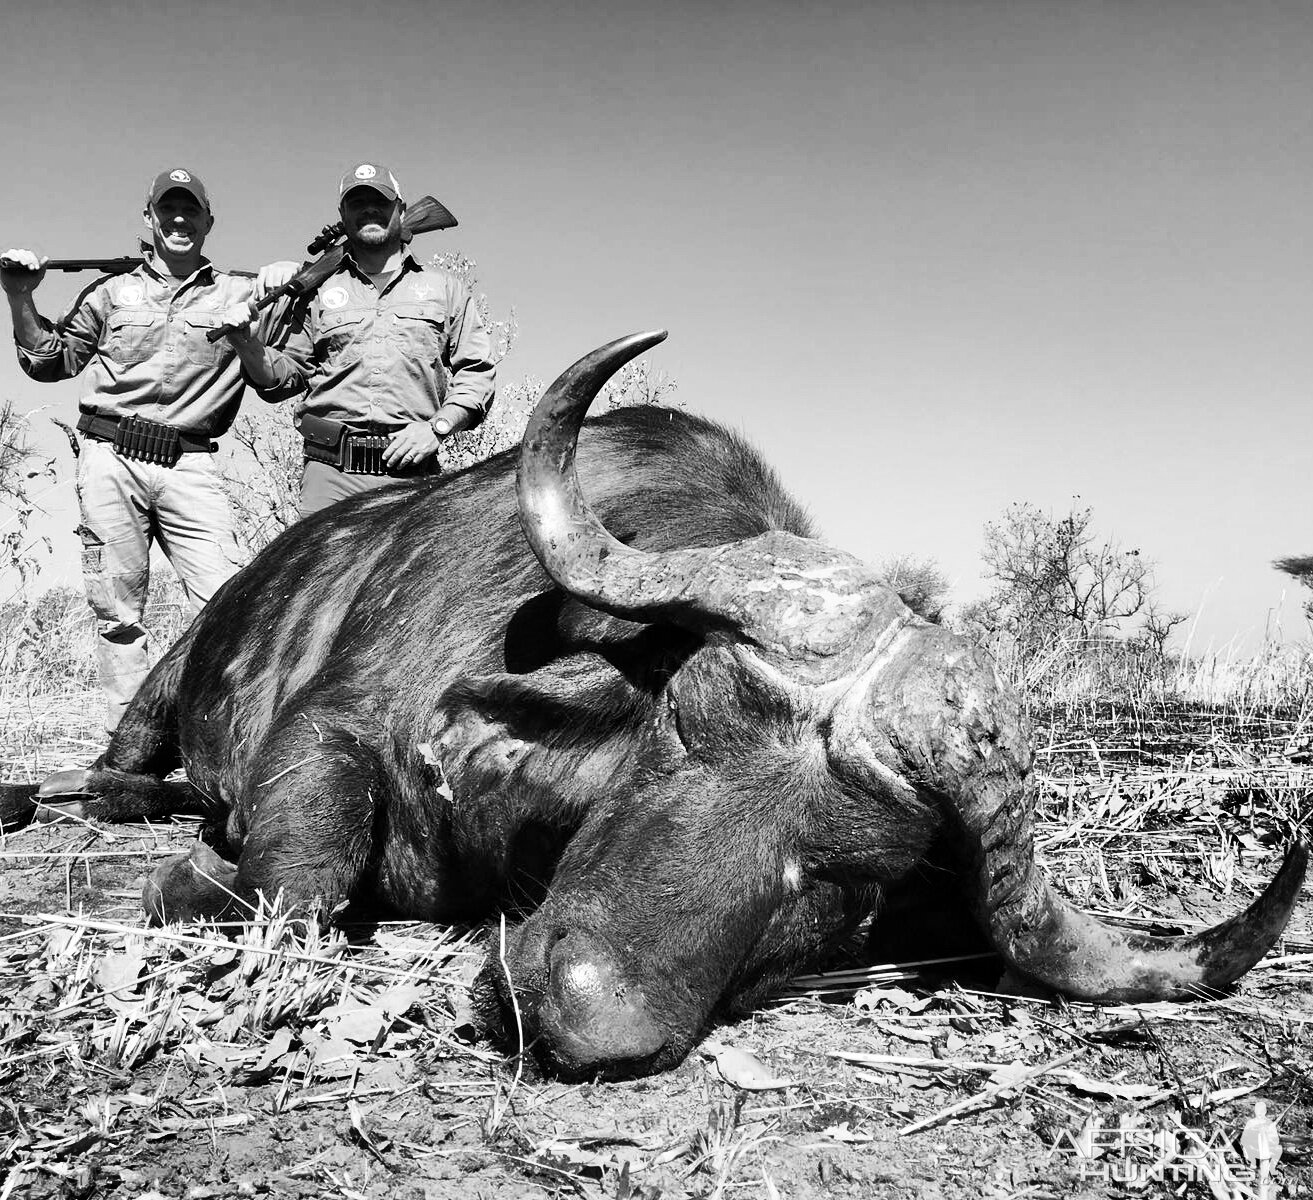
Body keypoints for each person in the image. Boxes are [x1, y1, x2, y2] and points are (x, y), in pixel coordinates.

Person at [1, 169, 293, 734]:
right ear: (149, 220)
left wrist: (290, 277)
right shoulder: (111, 292)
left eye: (191, 210)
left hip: (192, 464)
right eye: (167, 211)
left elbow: (284, 374)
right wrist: (19, 296)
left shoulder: (245, 292)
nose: (179, 220)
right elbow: (49, 362)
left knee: (233, 603)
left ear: (210, 221)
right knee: (117, 615)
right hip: (111, 458)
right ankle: (127, 752)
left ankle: (232, 736)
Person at [224, 162, 496, 515]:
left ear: (401, 209)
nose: (369, 210)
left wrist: (437, 428)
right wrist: (246, 343)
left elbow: (477, 372)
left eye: (380, 202)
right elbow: (285, 379)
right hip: (330, 475)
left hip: (411, 477)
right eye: (357, 203)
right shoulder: (317, 290)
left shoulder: (445, 289)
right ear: (342, 214)